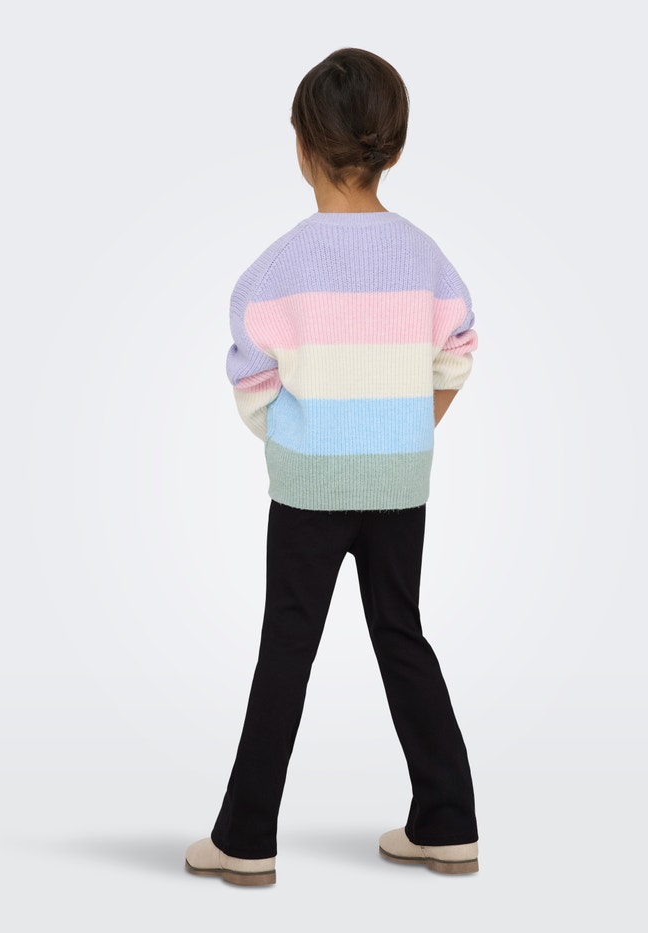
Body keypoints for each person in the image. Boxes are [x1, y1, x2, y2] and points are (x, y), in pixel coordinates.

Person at [185, 47, 480, 886]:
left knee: (288, 645)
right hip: (400, 484)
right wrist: (405, 427)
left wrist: (299, 440)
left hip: (309, 490)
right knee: (401, 634)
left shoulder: (278, 267)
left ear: (303, 146)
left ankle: (247, 839)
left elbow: (251, 380)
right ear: (395, 146)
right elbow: (457, 353)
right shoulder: (425, 257)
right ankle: (448, 823)